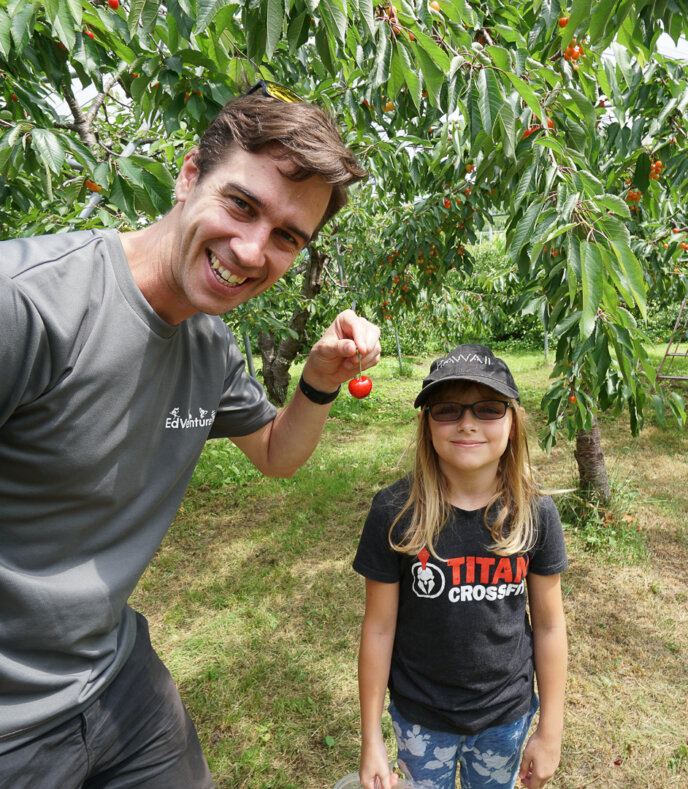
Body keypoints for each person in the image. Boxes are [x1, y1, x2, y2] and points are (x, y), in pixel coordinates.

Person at [0, 85, 380, 788]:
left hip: (115, 679)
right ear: (187, 176)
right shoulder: (26, 304)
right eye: (241, 204)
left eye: (287, 237)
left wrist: (319, 376)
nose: (251, 249)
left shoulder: (207, 347)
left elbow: (276, 452)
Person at [354, 345, 567, 789]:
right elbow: (378, 629)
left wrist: (550, 730)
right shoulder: (394, 511)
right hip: (419, 716)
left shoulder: (535, 511)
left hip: (505, 717)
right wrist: (370, 737)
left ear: (513, 420)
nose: (467, 423)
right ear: (426, 424)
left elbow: (548, 627)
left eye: (488, 409)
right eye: (447, 410)